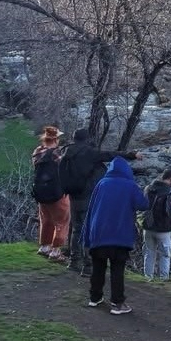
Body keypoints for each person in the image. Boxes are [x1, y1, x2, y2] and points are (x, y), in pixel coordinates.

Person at [61, 129, 139, 276]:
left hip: (73, 195)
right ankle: (88, 266)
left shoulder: (66, 152)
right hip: (87, 196)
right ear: (87, 139)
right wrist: (132, 155)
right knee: (89, 230)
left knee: (77, 229)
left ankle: (73, 261)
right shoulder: (88, 153)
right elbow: (110, 154)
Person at [83, 157, 148, 315]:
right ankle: (117, 303)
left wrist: (86, 236)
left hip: (98, 234)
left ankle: (95, 297)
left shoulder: (101, 184)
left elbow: (91, 208)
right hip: (120, 235)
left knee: (98, 267)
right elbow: (143, 205)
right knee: (117, 269)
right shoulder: (130, 185)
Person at [32, 126, 70, 263]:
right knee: (62, 221)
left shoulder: (37, 152)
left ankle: (44, 247)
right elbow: (65, 171)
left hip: (41, 192)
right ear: (56, 139)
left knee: (45, 219)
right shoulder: (58, 154)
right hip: (57, 193)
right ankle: (56, 250)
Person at [141, 169, 171, 280]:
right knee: (165, 255)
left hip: (148, 227)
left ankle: (148, 277)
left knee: (149, 253)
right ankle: (163, 278)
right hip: (164, 229)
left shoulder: (149, 188)